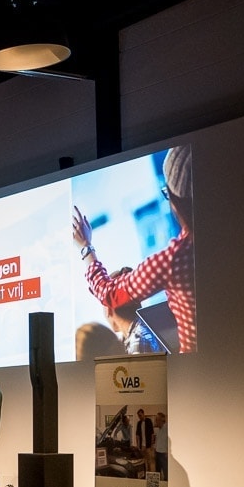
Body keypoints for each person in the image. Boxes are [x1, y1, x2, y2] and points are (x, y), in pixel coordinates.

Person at [73, 144, 196, 353]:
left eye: (167, 194)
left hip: (198, 368)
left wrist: (85, 247)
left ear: (177, 202)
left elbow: (109, 293)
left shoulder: (175, 258)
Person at [136, 408, 157, 474]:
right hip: (142, 446)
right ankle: (145, 473)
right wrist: (138, 445)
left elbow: (152, 433)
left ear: (143, 414)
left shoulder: (149, 421)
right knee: (143, 461)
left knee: (149, 461)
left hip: (148, 445)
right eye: (138, 416)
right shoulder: (139, 423)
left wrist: (152, 444)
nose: (139, 417)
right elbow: (137, 435)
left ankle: (150, 473)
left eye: (140, 415)